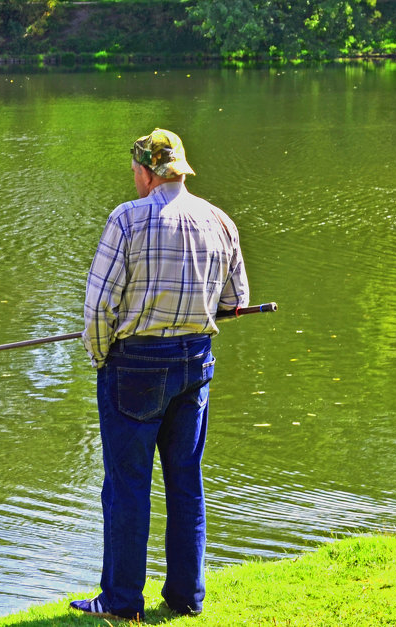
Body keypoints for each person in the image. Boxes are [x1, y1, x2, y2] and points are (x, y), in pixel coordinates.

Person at [73, 128, 249, 621]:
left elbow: (96, 310)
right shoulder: (219, 221)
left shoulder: (126, 220)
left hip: (134, 368)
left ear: (150, 172)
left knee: (127, 484)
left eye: (135, 171)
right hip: (195, 364)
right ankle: (186, 598)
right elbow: (235, 302)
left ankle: (123, 602)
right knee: (186, 481)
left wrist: (102, 356)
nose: (133, 179)